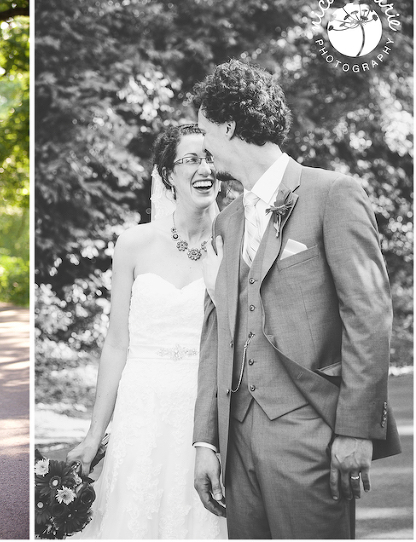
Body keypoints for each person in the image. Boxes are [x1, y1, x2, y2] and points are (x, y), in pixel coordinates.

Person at [192, 60, 400, 538]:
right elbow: (218, 333)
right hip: (236, 434)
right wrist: (206, 439)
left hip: (312, 431)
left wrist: (355, 429)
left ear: (227, 126)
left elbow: (368, 314)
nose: (204, 148)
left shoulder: (333, 193)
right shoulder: (226, 221)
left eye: (205, 131)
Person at [66, 124, 226, 539]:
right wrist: (93, 435)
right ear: (169, 175)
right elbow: (117, 344)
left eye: (209, 158)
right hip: (142, 411)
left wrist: (218, 287)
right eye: (191, 159)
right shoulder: (133, 244)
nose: (204, 167)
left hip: (205, 412)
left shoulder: (236, 242)